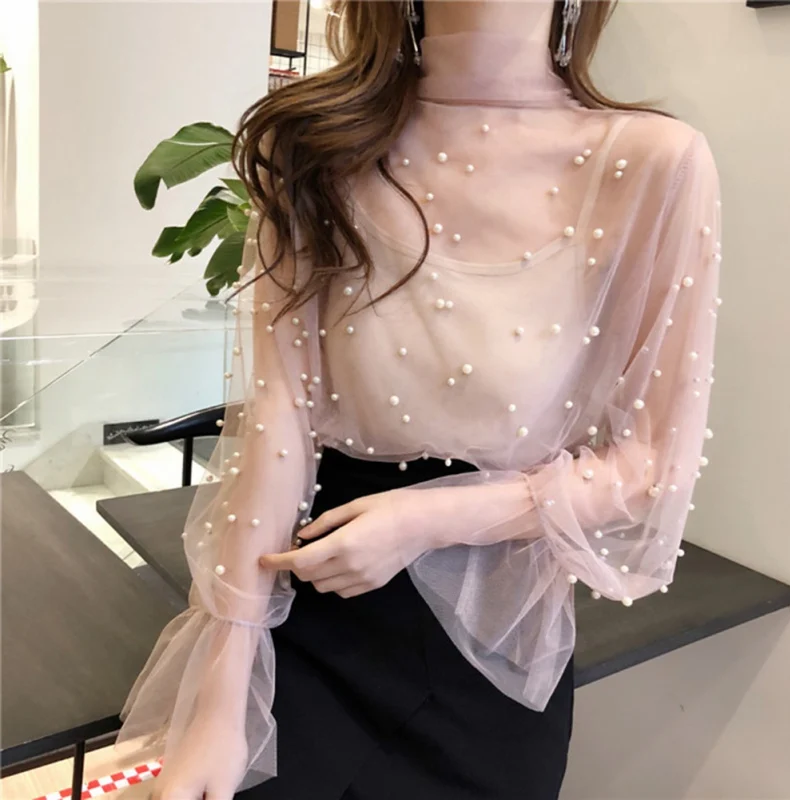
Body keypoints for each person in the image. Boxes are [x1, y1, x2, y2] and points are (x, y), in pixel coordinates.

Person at [118, 1, 722, 798]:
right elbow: (277, 420)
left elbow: (653, 468)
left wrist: (425, 519)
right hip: (309, 601)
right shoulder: (313, 145)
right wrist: (224, 695)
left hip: (489, 644)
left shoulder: (652, 162)